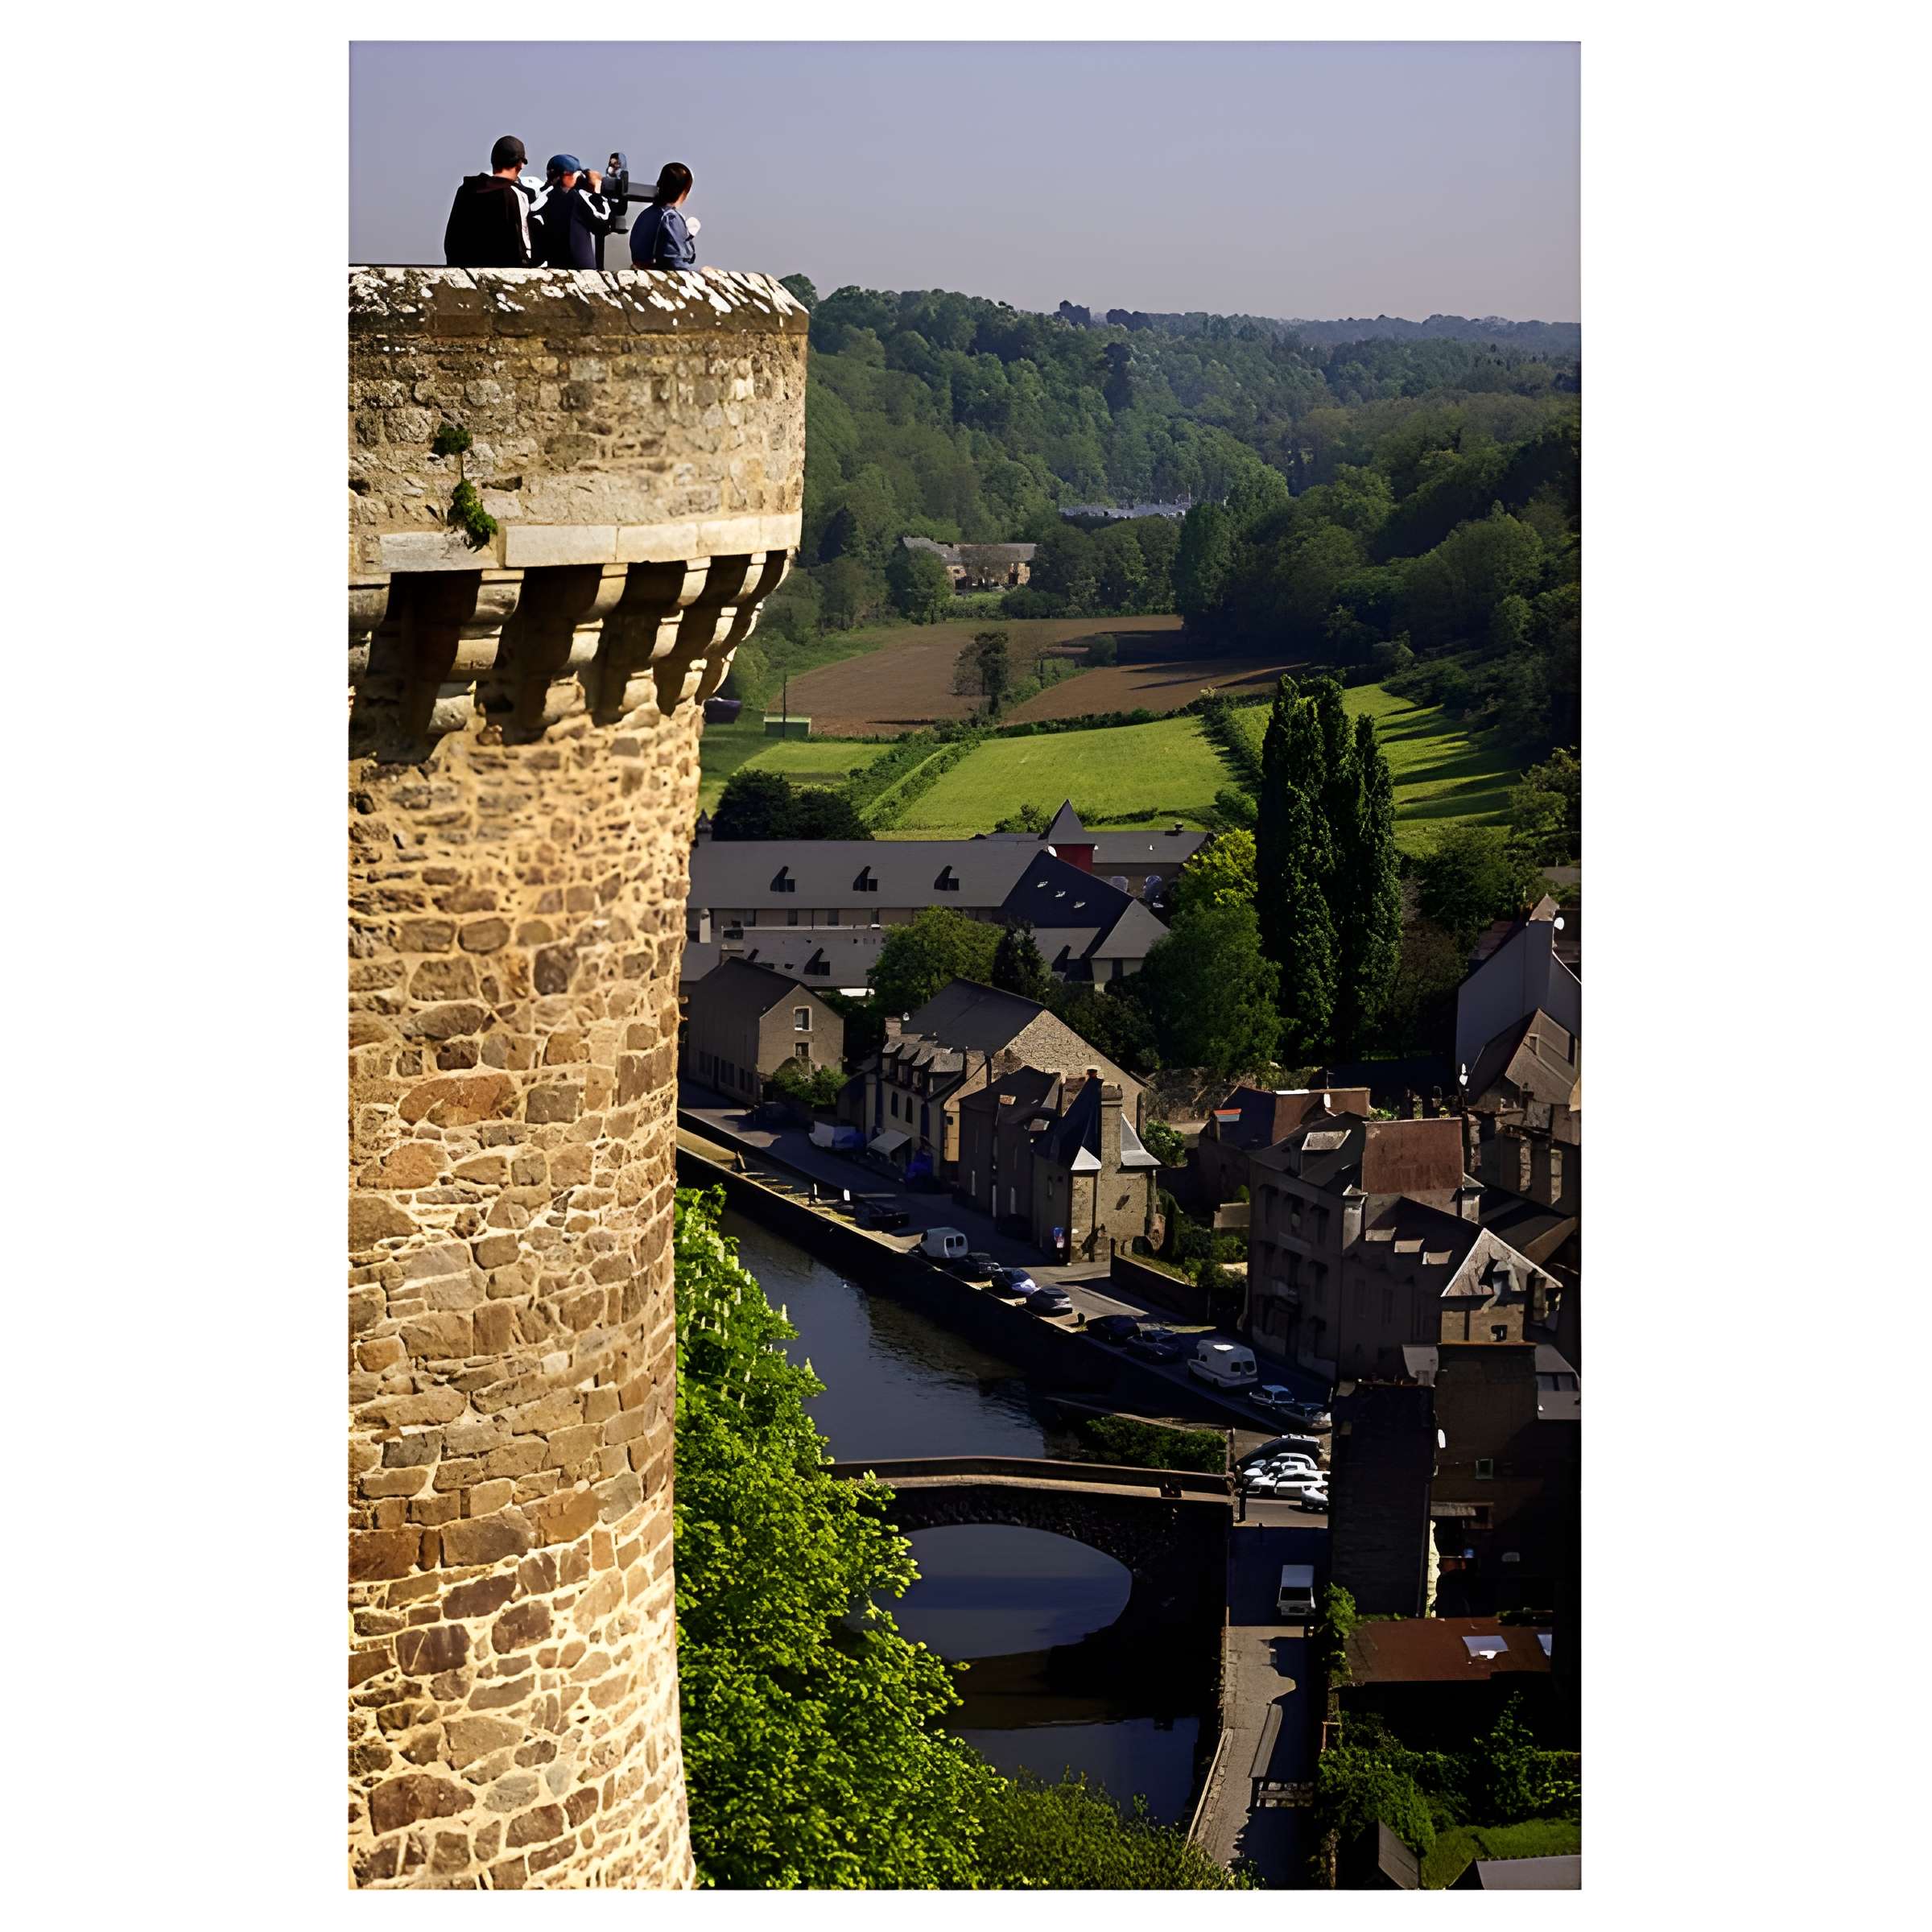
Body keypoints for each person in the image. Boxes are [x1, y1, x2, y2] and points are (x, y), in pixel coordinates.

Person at [443, 135, 534, 267]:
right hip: (502, 273)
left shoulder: (466, 190)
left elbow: (451, 240)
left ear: (494, 162)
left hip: (466, 270)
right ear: (519, 165)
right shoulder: (515, 195)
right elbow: (522, 244)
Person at [530, 155, 617, 269]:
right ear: (566, 175)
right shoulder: (575, 198)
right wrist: (597, 191)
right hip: (580, 272)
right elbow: (603, 224)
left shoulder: (541, 198)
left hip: (554, 268)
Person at [628, 163, 699, 270]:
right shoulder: (671, 218)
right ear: (685, 191)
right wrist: (701, 273)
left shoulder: (645, 215)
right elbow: (676, 263)